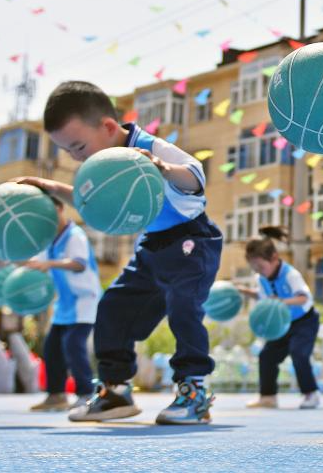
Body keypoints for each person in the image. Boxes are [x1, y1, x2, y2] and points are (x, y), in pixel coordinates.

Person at [17, 80, 222, 425]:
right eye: (69, 151)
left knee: (183, 308)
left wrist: (162, 168)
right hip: (152, 247)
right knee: (113, 308)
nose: (77, 156)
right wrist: (50, 187)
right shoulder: (103, 167)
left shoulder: (147, 146)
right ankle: (115, 391)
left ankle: (193, 390)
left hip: (191, 240)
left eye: (79, 146)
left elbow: (194, 176)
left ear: (109, 127)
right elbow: (89, 203)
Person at [26, 196, 101, 412]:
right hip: (65, 305)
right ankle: (56, 395)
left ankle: (86, 393)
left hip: (84, 301)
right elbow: (34, 262)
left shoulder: (74, 235)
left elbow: (78, 264)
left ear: (59, 209)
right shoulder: (50, 240)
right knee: (51, 348)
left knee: (73, 345)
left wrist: (48, 264)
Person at [237, 226, 320, 410]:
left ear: (274, 258)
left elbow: (304, 298)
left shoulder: (290, 274)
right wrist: (244, 291)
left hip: (305, 321)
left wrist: (282, 301)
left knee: (299, 353)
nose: (258, 270)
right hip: (283, 324)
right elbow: (263, 297)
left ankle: (311, 394)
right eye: (254, 267)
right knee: (267, 356)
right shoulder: (261, 278)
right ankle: (268, 397)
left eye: (260, 266)